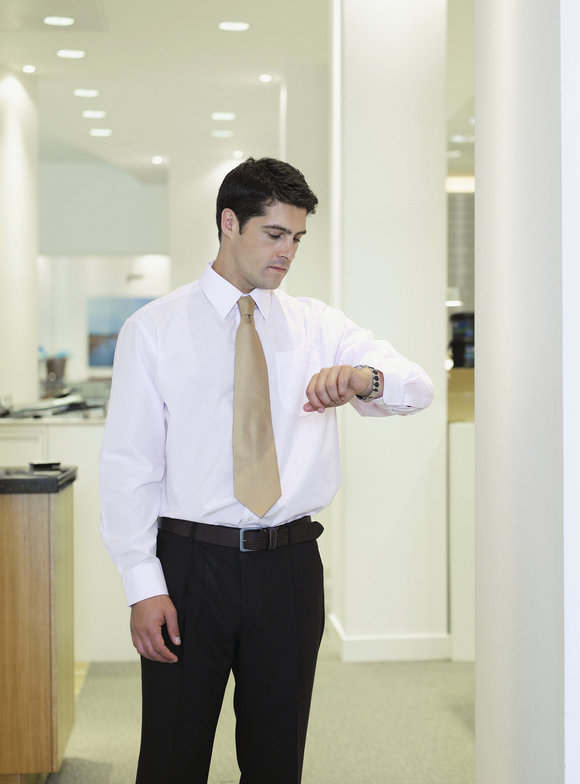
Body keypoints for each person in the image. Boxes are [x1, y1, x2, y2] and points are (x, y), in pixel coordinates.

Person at [99, 157, 433, 784]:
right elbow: (130, 466)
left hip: (289, 569)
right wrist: (142, 584)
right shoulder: (154, 330)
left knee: (277, 760)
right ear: (229, 223)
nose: (288, 253)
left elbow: (416, 388)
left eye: (298, 238)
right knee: (172, 758)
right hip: (191, 566)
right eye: (275, 235)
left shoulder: (318, 326)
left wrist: (366, 378)